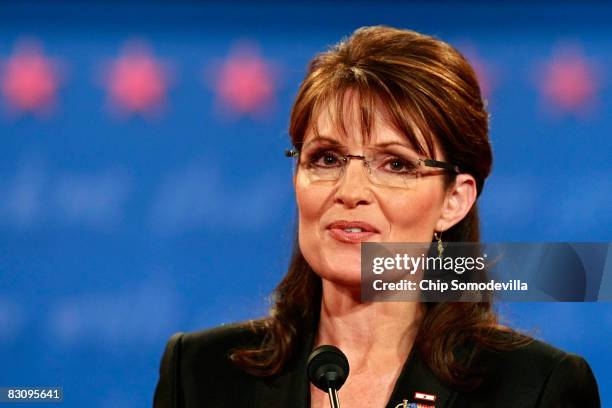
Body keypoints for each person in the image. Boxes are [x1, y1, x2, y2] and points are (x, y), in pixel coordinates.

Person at [153, 25, 600, 407]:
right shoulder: (199, 374)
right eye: (326, 159)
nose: (350, 192)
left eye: (397, 165)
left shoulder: (535, 388)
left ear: (454, 200)